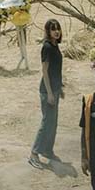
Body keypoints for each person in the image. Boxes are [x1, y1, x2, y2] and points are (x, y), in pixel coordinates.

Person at [29, 19, 64, 169]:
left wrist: (59, 88)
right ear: (48, 31)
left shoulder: (55, 46)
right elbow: (45, 71)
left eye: (58, 28)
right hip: (47, 90)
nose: (56, 31)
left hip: (55, 89)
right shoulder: (47, 47)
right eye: (53, 29)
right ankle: (34, 153)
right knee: (46, 122)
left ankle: (47, 150)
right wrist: (49, 93)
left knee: (53, 123)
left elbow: (56, 69)